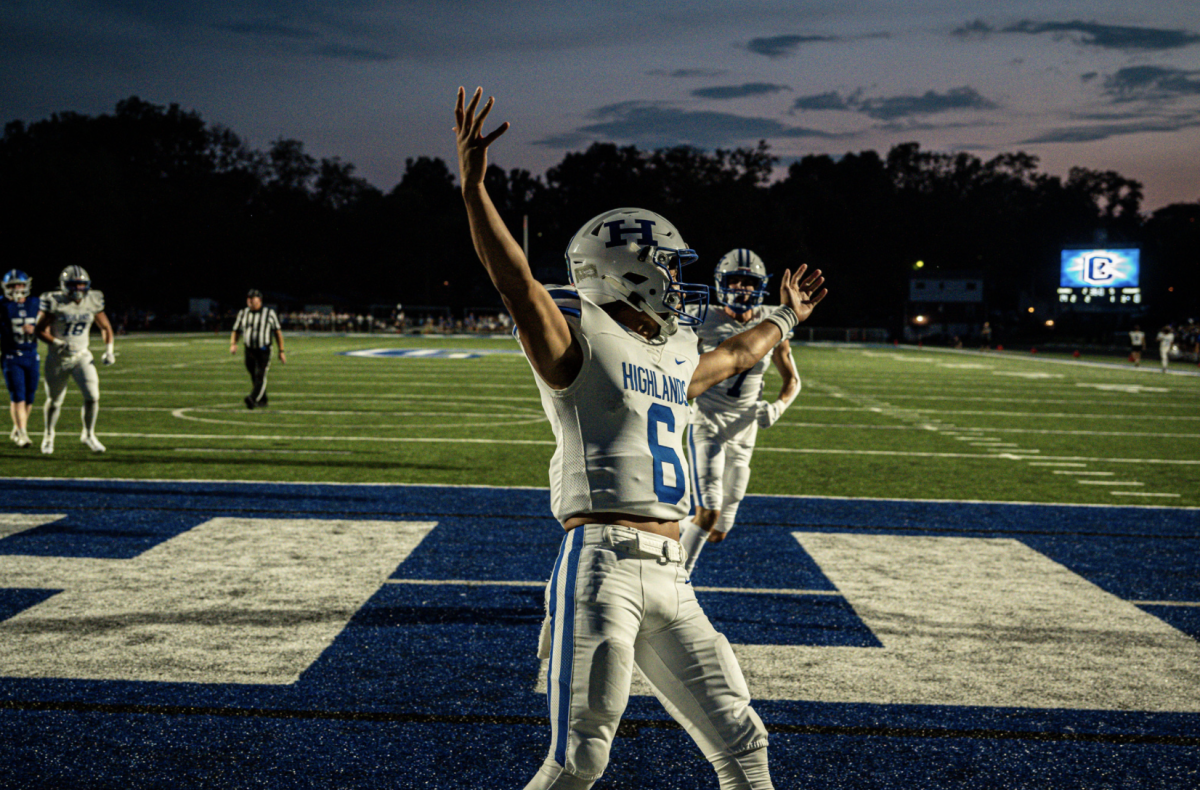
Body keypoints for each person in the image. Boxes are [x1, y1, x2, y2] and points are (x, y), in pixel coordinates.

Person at [454, 86, 827, 790]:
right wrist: (475, 190)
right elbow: (514, 283)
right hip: (602, 568)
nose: (678, 280)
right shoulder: (575, 340)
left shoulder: (674, 353)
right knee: (579, 760)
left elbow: (739, 356)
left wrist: (785, 317)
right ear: (626, 266)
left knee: (745, 745)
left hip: (671, 574)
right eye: (667, 264)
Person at [678, 250, 801, 573]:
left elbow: (793, 379)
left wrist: (779, 406)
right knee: (708, 513)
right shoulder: (701, 317)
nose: (742, 288)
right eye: (736, 280)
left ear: (760, 287)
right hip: (709, 423)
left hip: (746, 428)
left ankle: (660, 537)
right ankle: (677, 583)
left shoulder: (772, 322)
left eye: (749, 282)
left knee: (717, 530)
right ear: (722, 283)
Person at [34, 265, 115, 454]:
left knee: (93, 397)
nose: (78, 289)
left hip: (82, 356)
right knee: (54, 401)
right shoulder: (54, 301)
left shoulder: (93, 300)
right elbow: (39, 330)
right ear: (64, 285)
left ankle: (88, 434)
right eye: (74, 285)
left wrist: (109, 350)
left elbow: (105, 327)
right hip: (58, 358)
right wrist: (56, 343)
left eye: (82, 285)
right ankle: (48, 435)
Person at [2, 269, 40, 448]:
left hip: (32, 355)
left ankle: (18, 428)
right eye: (12, 285)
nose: (16, 288)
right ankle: (23, 433)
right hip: (12, 356)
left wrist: (36, 329)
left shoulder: (35, 303)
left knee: (30, 397)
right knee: (18, 396)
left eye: (19, 285)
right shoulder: (3, 305)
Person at [229, 289, 286, 409]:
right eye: (248, 297)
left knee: (260, 375)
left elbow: (277, 332)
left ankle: (252, 398)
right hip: (249, 349)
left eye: (252, 297)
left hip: (264, 349)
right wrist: (233, 343)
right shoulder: (243, 313)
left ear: (259, 300)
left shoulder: (269, 313)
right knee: (253, 375)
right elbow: (236, 330)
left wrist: (281, 351)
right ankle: (263, 399)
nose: (249, 300)